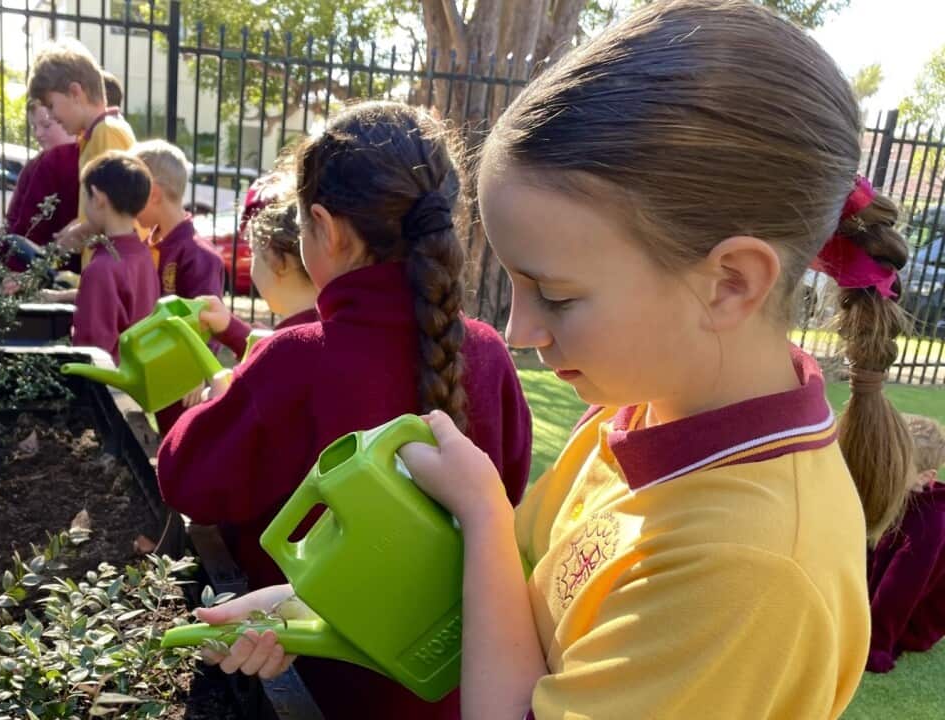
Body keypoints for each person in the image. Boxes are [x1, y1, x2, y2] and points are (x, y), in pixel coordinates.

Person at [201, 2, 918, 718]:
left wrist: (481, 510)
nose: (517, 331)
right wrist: (313, 600)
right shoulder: (641, 413)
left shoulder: (749, 571)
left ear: (730, 283)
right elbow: (509, 589)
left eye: (556, 294)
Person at [158, 101, 532, 720]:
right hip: (461, 684)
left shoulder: (295, 358)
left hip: (328, 690)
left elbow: (186, 478)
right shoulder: (488, 354)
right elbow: (507, 494)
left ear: (326, 229)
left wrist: (224, 394)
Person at [130, 139, 228, 433]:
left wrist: (196, 371)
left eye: (134, 193)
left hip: (182, 379)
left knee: (180, 438)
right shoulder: (148, 245)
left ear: (154, 193)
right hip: (153, 364)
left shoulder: (198, 255)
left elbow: (207, 320)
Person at [27, 39, 136, 267]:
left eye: (51, 104)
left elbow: (118, 213)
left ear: (75, 92)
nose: (52, 116)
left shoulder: (107, 133)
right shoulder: (95, 135)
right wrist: (76, 228)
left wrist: (76, 235)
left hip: (116, 271)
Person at [199, 172, 318, 358]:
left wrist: (217, 388)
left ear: (277, 261)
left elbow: (269, 360)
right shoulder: (326, 330)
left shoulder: (286, 349)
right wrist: (229, 326)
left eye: (254, 252)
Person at [867, 413, 945, 672]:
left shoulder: (929, 524)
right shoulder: (895, 493)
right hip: (874, 594)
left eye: (896, 466)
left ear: (924, 477)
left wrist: (875, 645)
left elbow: (901, 589)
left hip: (913, 618)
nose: (883, 468)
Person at [69, 151, 159, 360]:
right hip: (136, 379)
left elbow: (91, 351)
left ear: (98, 198)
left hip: (109, 386)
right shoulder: (143, 253)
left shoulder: (102, 268)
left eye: (85, 198)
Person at [3, 101, 80, 268]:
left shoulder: (84, 157)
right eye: (34, 127)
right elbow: (15, 220)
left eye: (46, 125)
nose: (38, 134)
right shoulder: (34, 165)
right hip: (38, 265)